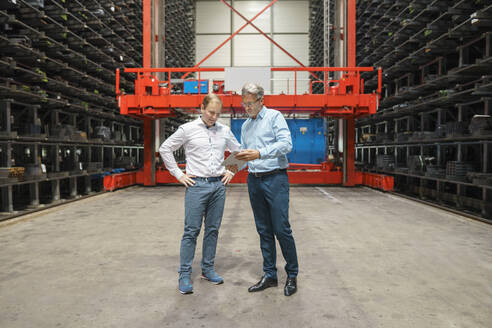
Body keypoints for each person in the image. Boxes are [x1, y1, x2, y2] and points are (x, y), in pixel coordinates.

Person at [159, 93, 241, 295]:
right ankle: (184, 274)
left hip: (218, 186)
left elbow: (239, 150)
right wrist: (179, 174)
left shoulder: (224, 130)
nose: (214, 117)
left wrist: (231, 170)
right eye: (211, 112)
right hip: (197, 186)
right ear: (202, 108)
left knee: (212, 230)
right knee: (191, 231)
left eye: (218, 114)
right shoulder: (187, 129)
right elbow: (165, 148)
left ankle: (207, 269)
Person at [234, 83, 299, 296]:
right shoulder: (245, 126)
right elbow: (244, 155)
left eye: (250, 103)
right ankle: (270, 275)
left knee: (281, 228)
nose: (247, 107)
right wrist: (226, 169)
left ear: (261, 100)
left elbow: (286, 144)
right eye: (244, 103)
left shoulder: (274, 117)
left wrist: (260, 153)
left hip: (275, 179)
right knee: (263, 230)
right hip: (254, 180)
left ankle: (292, 274)